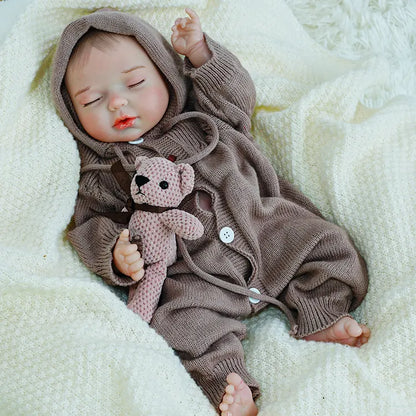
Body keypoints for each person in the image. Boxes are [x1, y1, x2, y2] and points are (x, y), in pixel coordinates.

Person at [51, 8, 371, 416]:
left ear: (166, 74)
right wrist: (114, 252)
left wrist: (200, 53)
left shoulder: (204, 121)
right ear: (73, 116)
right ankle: (229, 383)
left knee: (327, 246)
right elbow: (88, 224)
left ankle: (321, 313)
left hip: (263, 229)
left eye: (134, 83)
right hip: (195, 278)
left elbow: (238, 96)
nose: (118, 102)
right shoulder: (101, 174)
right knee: (181, 326)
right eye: (93, 100)